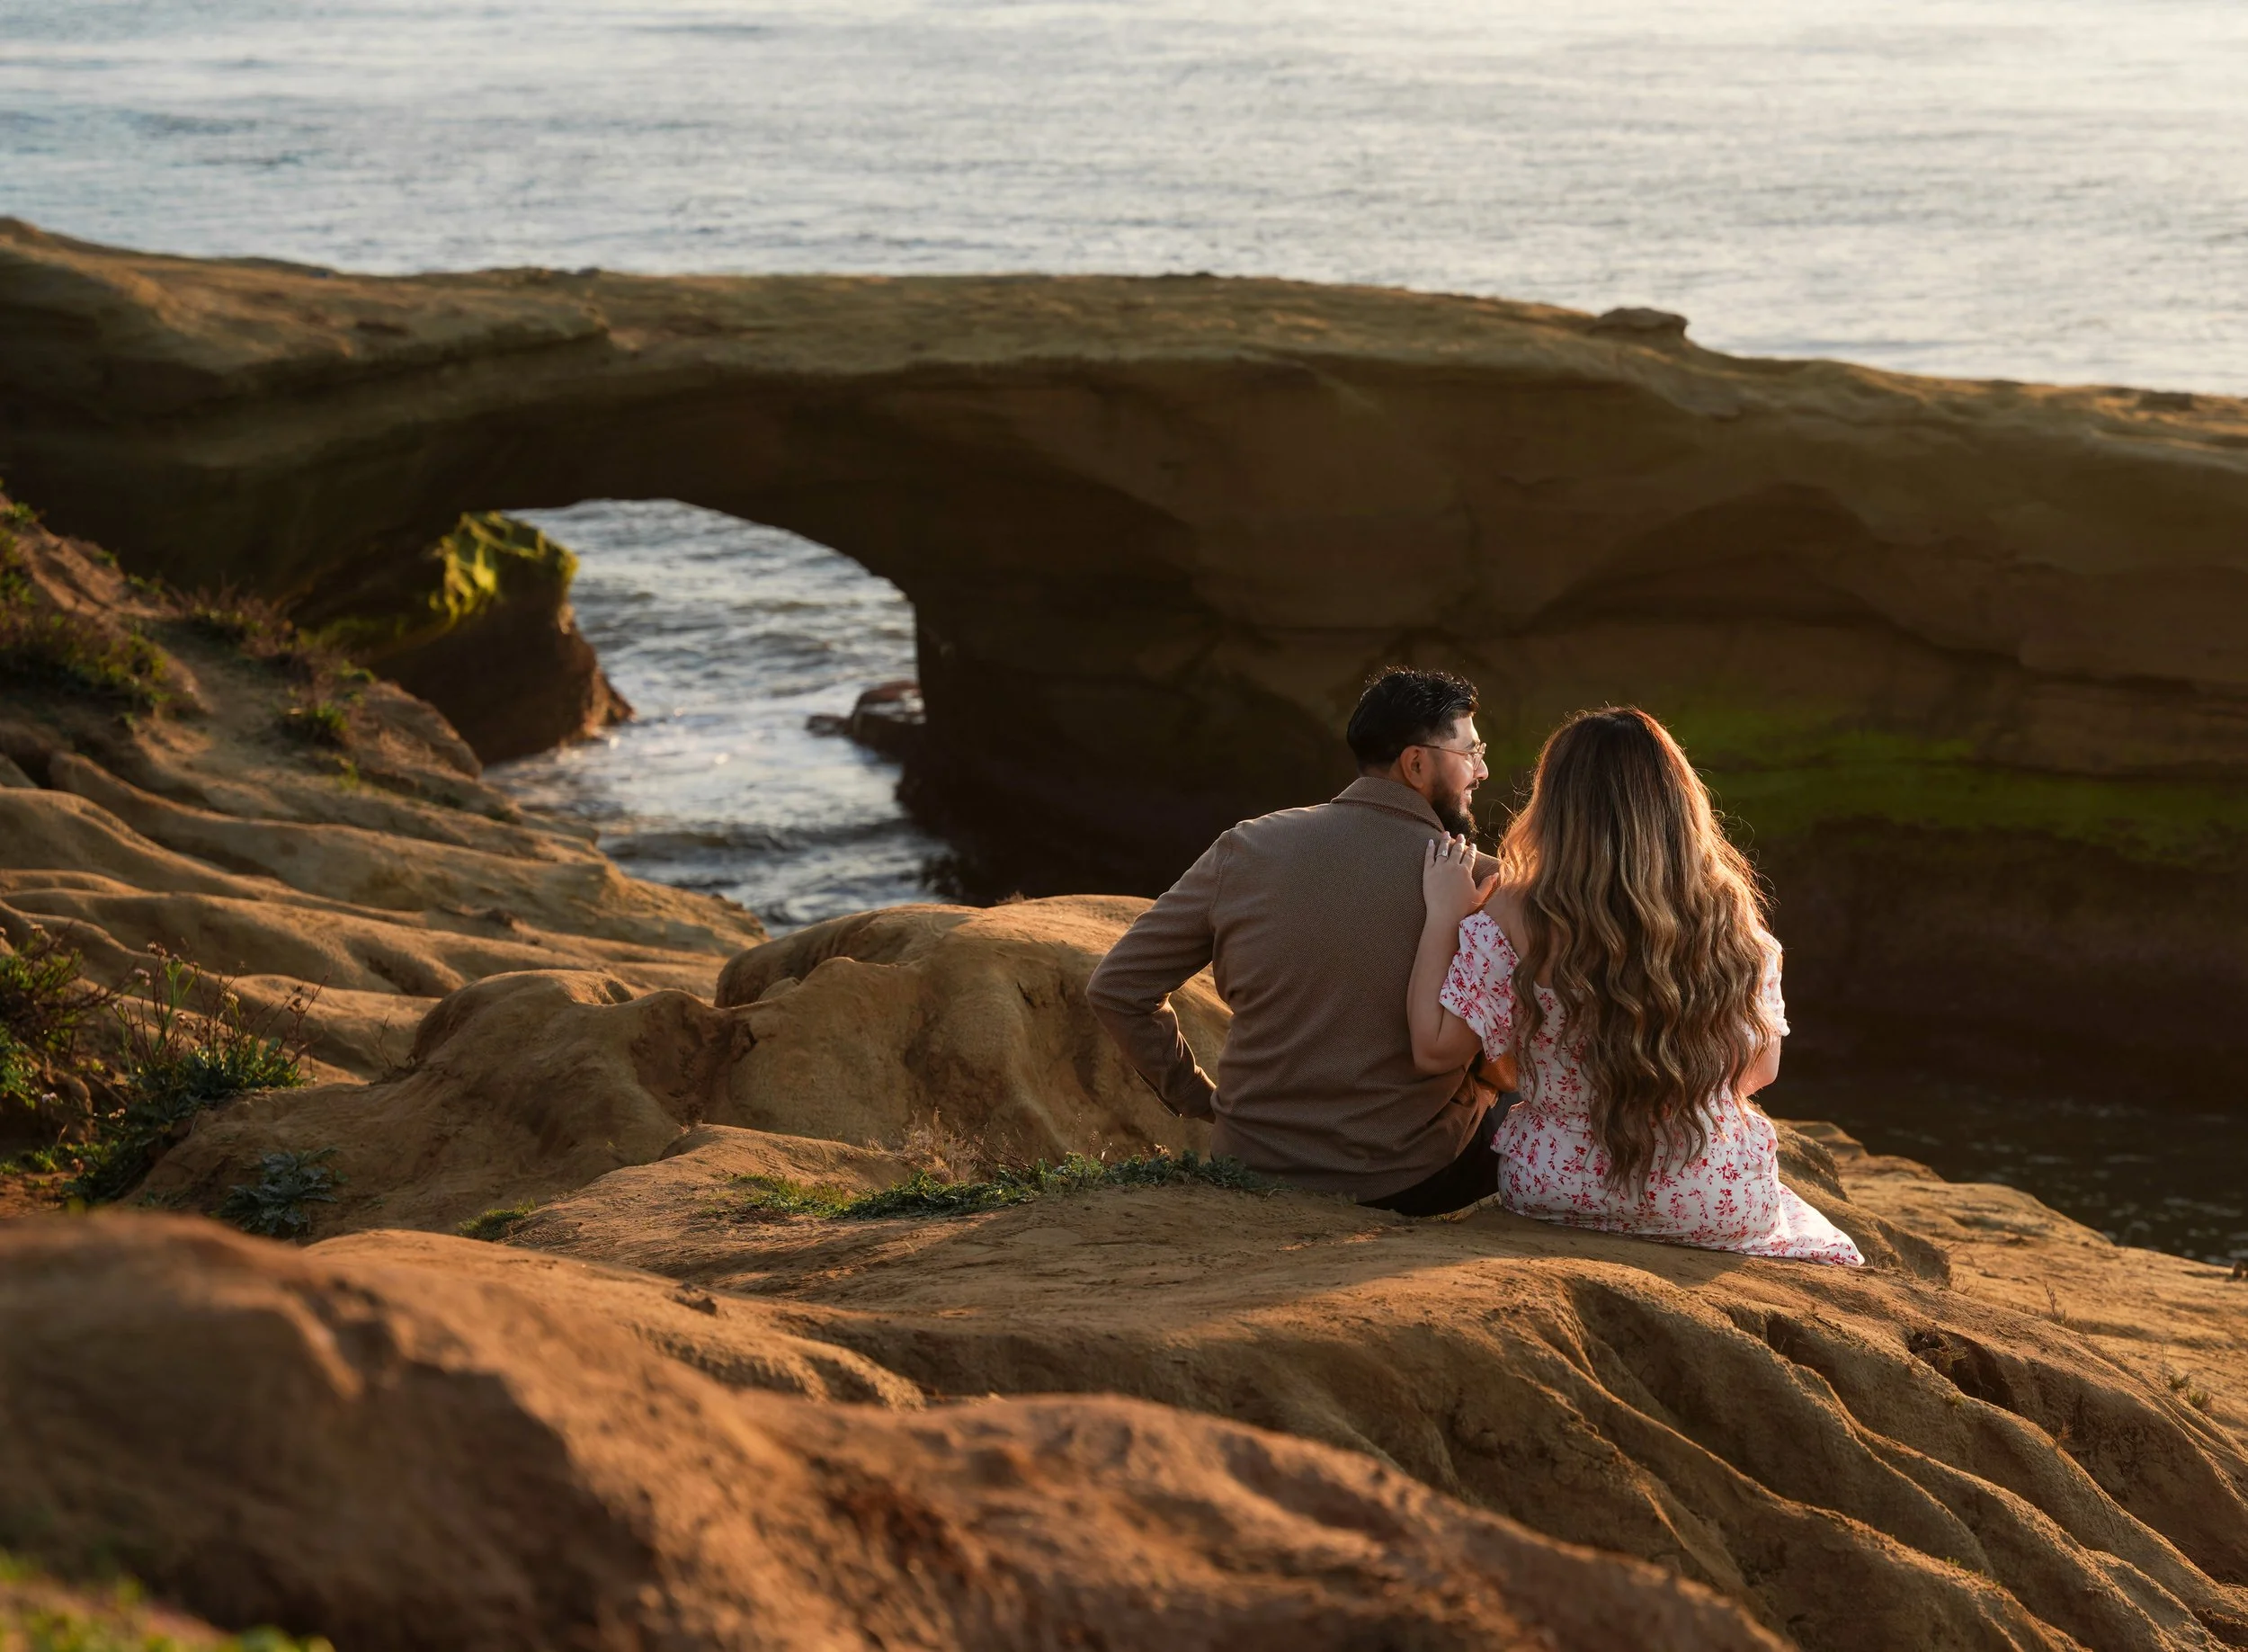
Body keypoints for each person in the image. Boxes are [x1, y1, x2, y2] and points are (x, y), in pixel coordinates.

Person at [1407, 706, 1862, 1265]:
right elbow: (1759, 1071)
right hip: (1710, 1198)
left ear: (1554, 804)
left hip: (1553, 1187)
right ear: (1677, 803)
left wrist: (1442, 917)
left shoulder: (1507, 907)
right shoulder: (1726, 912)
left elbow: (1434, 1050)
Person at [1087, 667, 1517, 1215]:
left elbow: (1118, 988)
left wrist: (1197, 1097)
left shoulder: (1245, 847)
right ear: (1416, 763)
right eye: (1471, 753)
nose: (1481, 770)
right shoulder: (1484, 881)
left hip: (1250, 1165)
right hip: (1409, 1180)